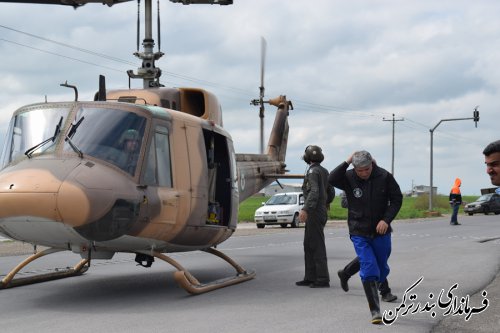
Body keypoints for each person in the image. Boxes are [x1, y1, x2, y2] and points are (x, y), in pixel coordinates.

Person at [328, 150, 402, 324]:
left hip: (381, 231)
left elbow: (397, 199)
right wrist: (347, 160)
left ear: (372, 164)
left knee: (382, 268)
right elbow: (331, 179)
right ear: (354, 168)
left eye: (366, 169)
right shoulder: (348, 177)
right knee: (369, 267)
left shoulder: (384, 176)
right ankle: (375, 311)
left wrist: (386, 220)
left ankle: (345, 273)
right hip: (358, 230)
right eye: (359, 170)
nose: (363, 173)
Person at [295, 145, 333, 288]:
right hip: (319, 210)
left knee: (316, 246)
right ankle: (310, 277)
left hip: (314, 212)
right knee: (309, 245)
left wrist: (305, 209)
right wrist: (325, 202)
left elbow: (314, 192)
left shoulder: (312, 171)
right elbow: (331, 191)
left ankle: (322, 279)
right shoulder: (324, 171)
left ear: (307, 157)